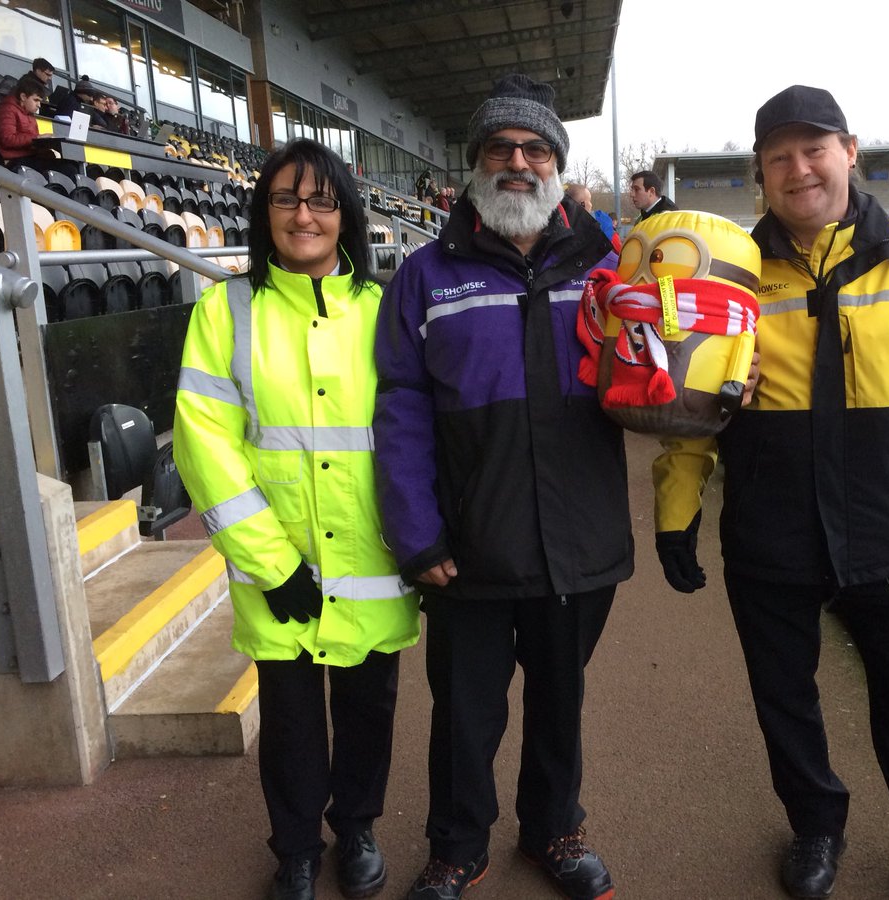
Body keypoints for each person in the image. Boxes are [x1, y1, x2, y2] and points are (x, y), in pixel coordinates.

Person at [651, 84, 889, 900]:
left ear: (850, 152)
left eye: (814, 149)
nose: (799, 169)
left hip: (886, 531)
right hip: (768, 533)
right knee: (786, 702)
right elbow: (691, 411)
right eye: (778, 156)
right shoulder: (729, 274)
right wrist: (677, 514)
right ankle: (817, 825)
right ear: (761, 173)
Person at [373, 73, 625, 900]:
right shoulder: (424, 274)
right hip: (468, 544)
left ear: (557, 164)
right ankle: (457, 846)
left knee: (560, 701)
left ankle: (555, 829)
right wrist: (417, 533)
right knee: (464, 712)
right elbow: (400, 410)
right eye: (500, 148)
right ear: (476, 162)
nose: (518, 162)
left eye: (535, 149)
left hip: (577, 538)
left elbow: (662, 374)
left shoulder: (607, 266)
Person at [173, 138, 420, 900]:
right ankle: (297, 849)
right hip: (274, 562)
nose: (303, 215)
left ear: (346, 215)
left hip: (373, 561)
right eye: (286, 198)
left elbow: (418, 432)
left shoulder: (385, 309)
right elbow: (205, 444)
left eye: (321, 200)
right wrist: (274, 565)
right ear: (264, 212)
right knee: (289, 723)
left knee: (369, 709)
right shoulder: (225, 310)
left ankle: (358, 828)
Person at [0, 73, 47, 163]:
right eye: (36, 100)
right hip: (9, 159)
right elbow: (8, 140)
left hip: (26, 156)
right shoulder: (7, 110)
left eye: (40, 101)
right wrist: (37, 138)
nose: (39, 105)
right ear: (23, 97)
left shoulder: (29, 114)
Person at [567, 182, 621, 253]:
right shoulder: (601, 222)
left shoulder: (560, 227)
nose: (591, 205)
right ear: (582, 204)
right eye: (589, 200)